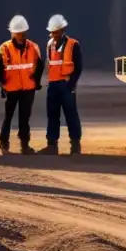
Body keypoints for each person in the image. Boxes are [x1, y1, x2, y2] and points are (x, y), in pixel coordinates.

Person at [0, 15, 43, 154]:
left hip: (28, 88)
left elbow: (39, 67)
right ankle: (4, 144)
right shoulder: (4, 48)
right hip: (11, 88)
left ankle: (24, 145)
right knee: (7, 117)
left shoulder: (33, 47)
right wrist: (2, 84)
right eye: (18, 32)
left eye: (22, 32)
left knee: (24, 118)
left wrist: (35, 82)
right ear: (12, 33)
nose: (20, 35)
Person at [40, 14, 83, 156]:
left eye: (56, 32)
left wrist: (71, 85)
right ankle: (52, 145)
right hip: (53, 86)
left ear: (62, 30)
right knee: (52, 115)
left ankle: (75, 145)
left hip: (66, 85)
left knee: (71, 115)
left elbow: (78, 67)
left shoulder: (73, 44)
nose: (54, 34)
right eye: (52, 32)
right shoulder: (49, 45)